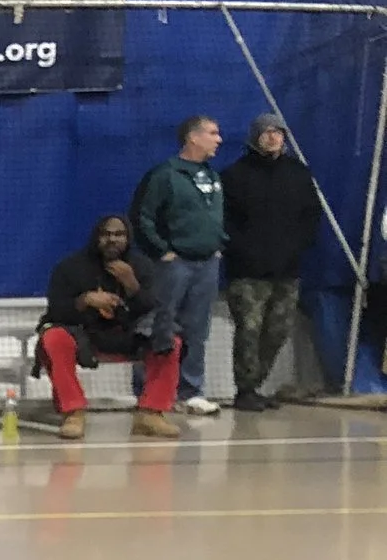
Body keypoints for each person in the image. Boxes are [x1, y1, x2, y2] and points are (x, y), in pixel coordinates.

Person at [37, 215, 181, 440]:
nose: (112, 239)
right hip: (86, 333)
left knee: (169, 339)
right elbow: (56, 311)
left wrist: (132, 285)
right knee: (53, 338)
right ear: (96, 237)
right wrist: (84, 300)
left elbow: (153, 309)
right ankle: (73, 413)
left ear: (128, 238)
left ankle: (150, 413)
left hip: (129, 334)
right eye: (106, 234)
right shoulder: (70, 267)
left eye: (118, 234)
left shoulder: (142, 266)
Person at [221, 114, 321, 410]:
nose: (273, 137)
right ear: (254, 137)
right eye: (267, 132)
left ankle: (257, 383)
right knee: (249, 331)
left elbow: (311, 216)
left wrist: (297, 247)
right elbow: (225, 222)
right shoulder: (234, 176)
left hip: (287, 270)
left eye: (278, 132)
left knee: (277, 331)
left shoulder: (298, 173)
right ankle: (245, 389)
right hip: (247, 272)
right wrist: (242, 251)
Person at [129, 115, 226, 415]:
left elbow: (212, 215)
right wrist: (162, 251)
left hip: (207, 264)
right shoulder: (165, 174)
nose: (219, 139)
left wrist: (218, 243)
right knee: (161, 325)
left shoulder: (212, 175)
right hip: (175, 265)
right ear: (193, 138)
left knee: (197, 329)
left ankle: (190, 390)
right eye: (212, 133)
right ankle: (150, 391)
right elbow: (142, 216)